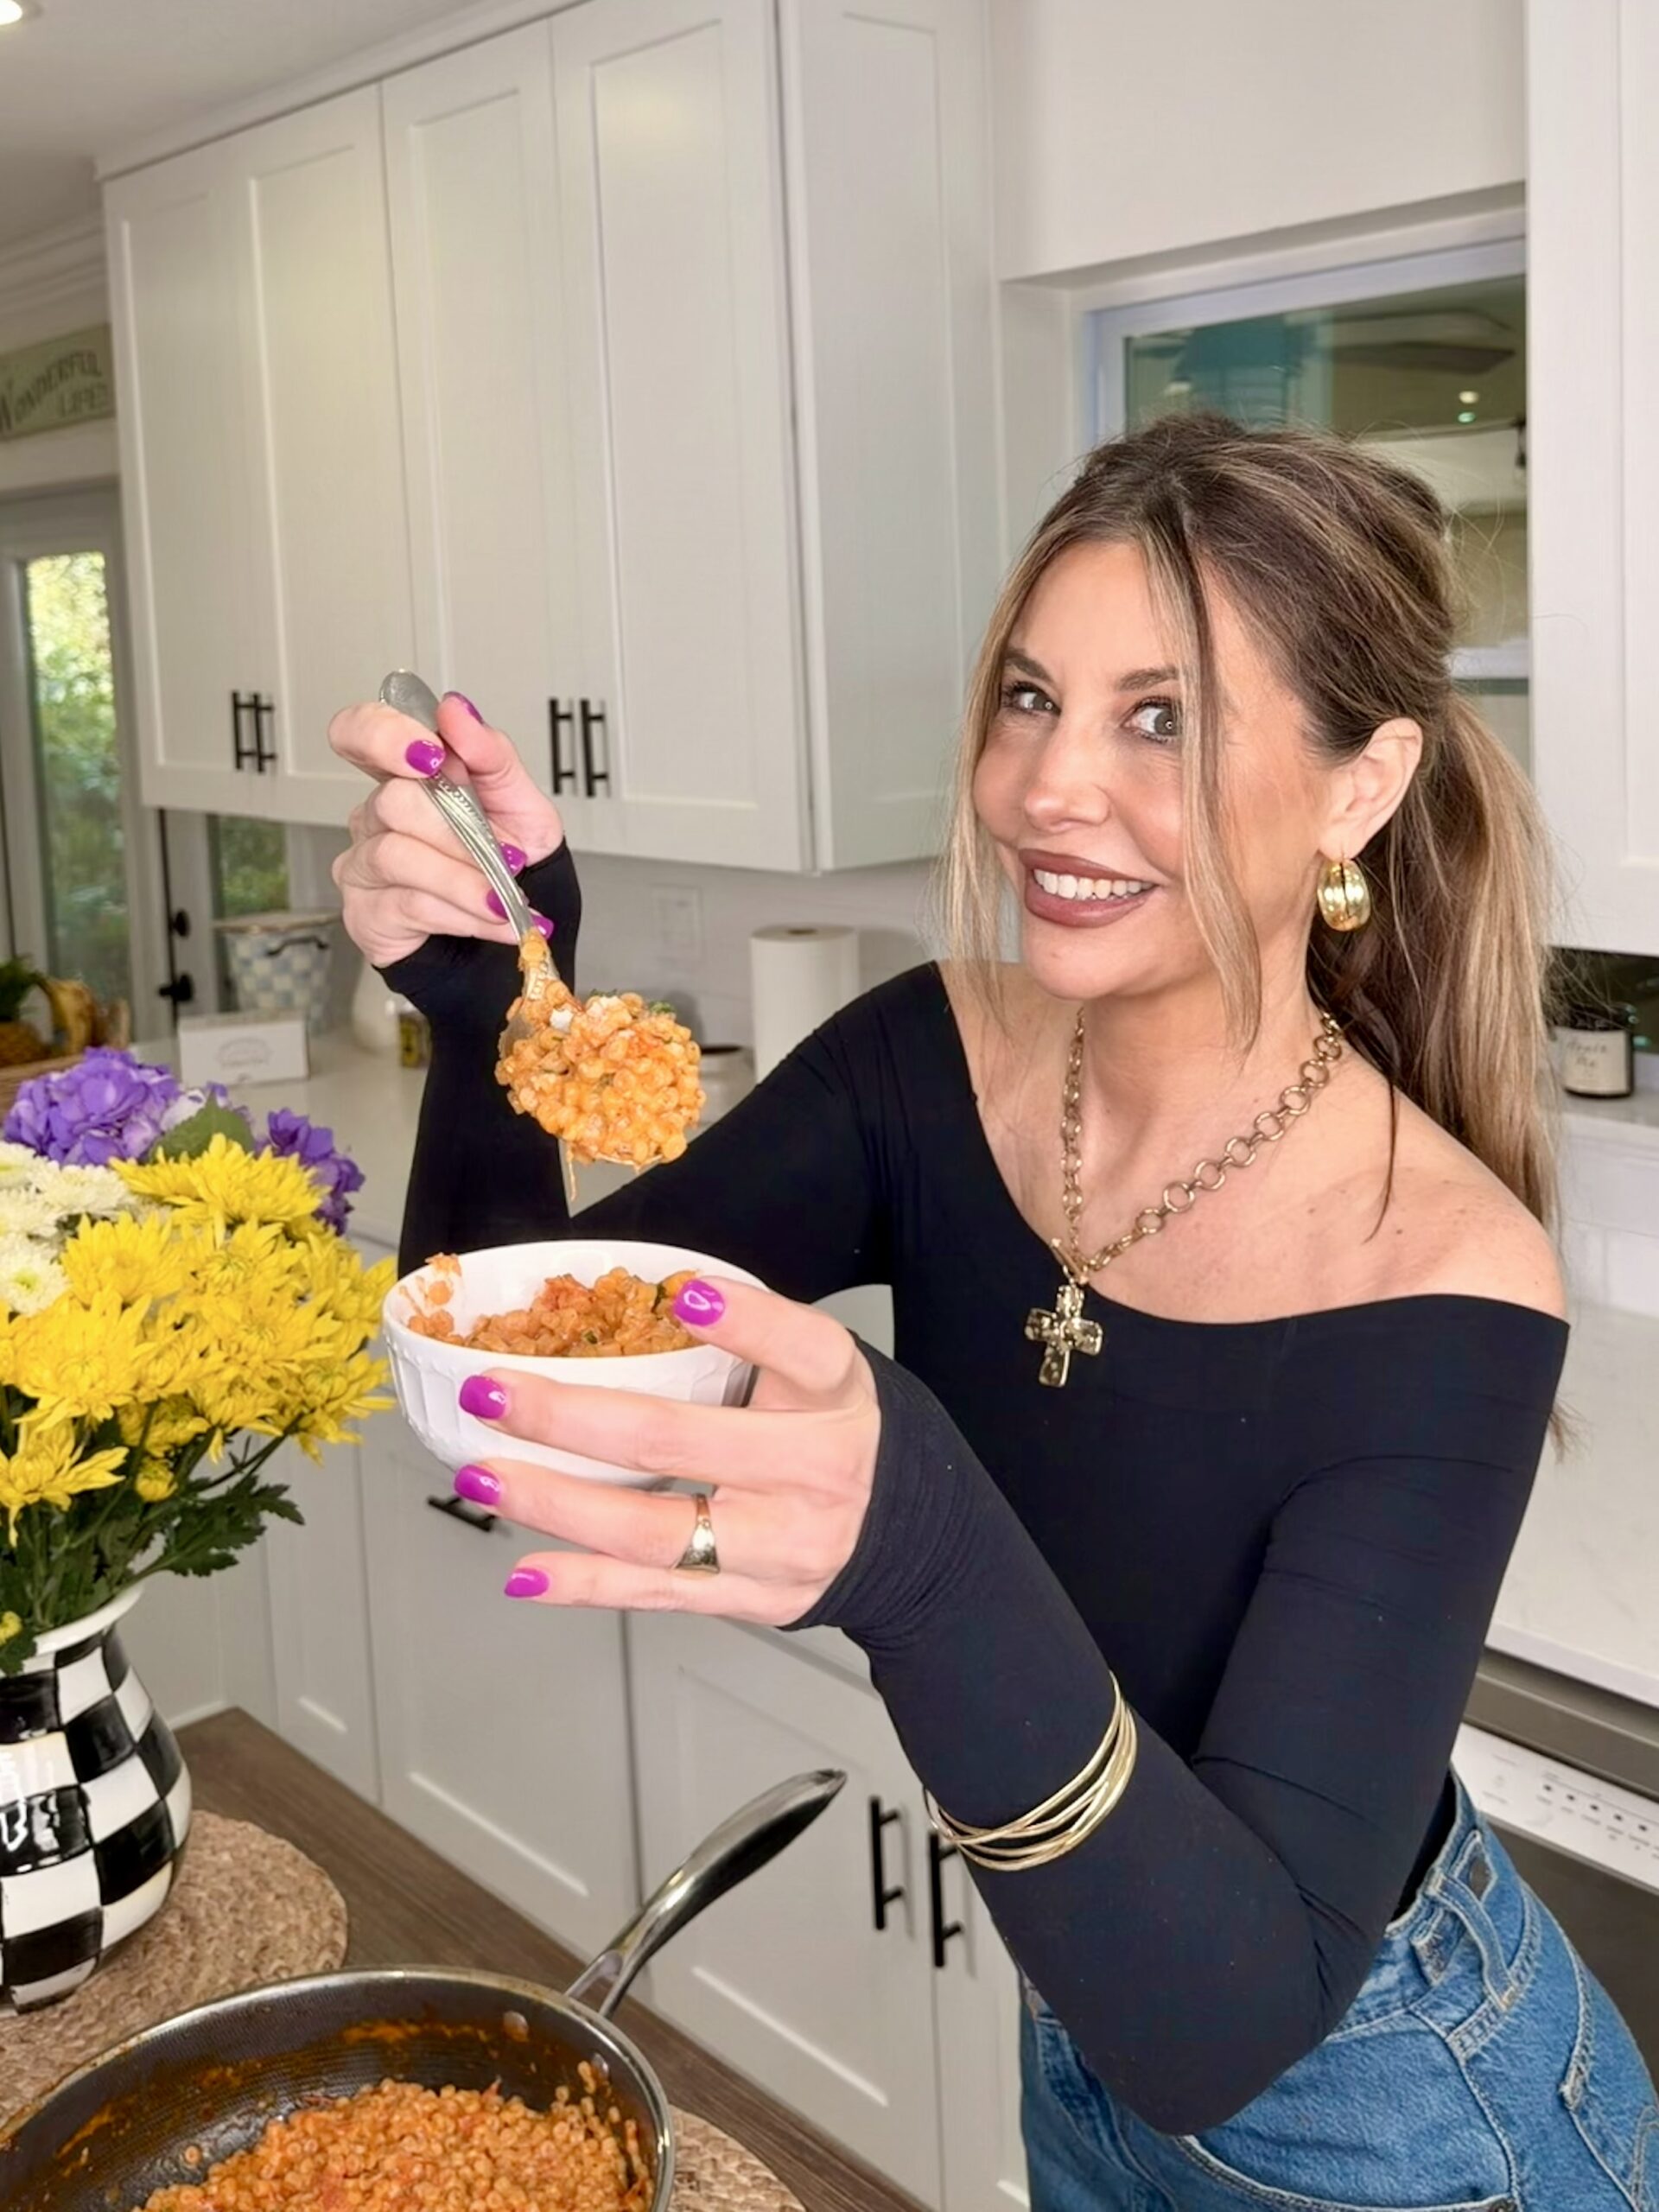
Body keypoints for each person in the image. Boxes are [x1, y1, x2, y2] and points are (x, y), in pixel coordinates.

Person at [329, 415, 1659, 2211]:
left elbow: (1229, 2018)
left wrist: (917, 1535)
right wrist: (494, 1007)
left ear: (1359, 788)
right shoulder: (932, 1055)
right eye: (1031, 696)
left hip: (1407, 2124)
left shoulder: (1445, 1272)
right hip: (1077, 2043)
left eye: (1162, 716)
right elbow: (516, 1407)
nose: (1046, 787)